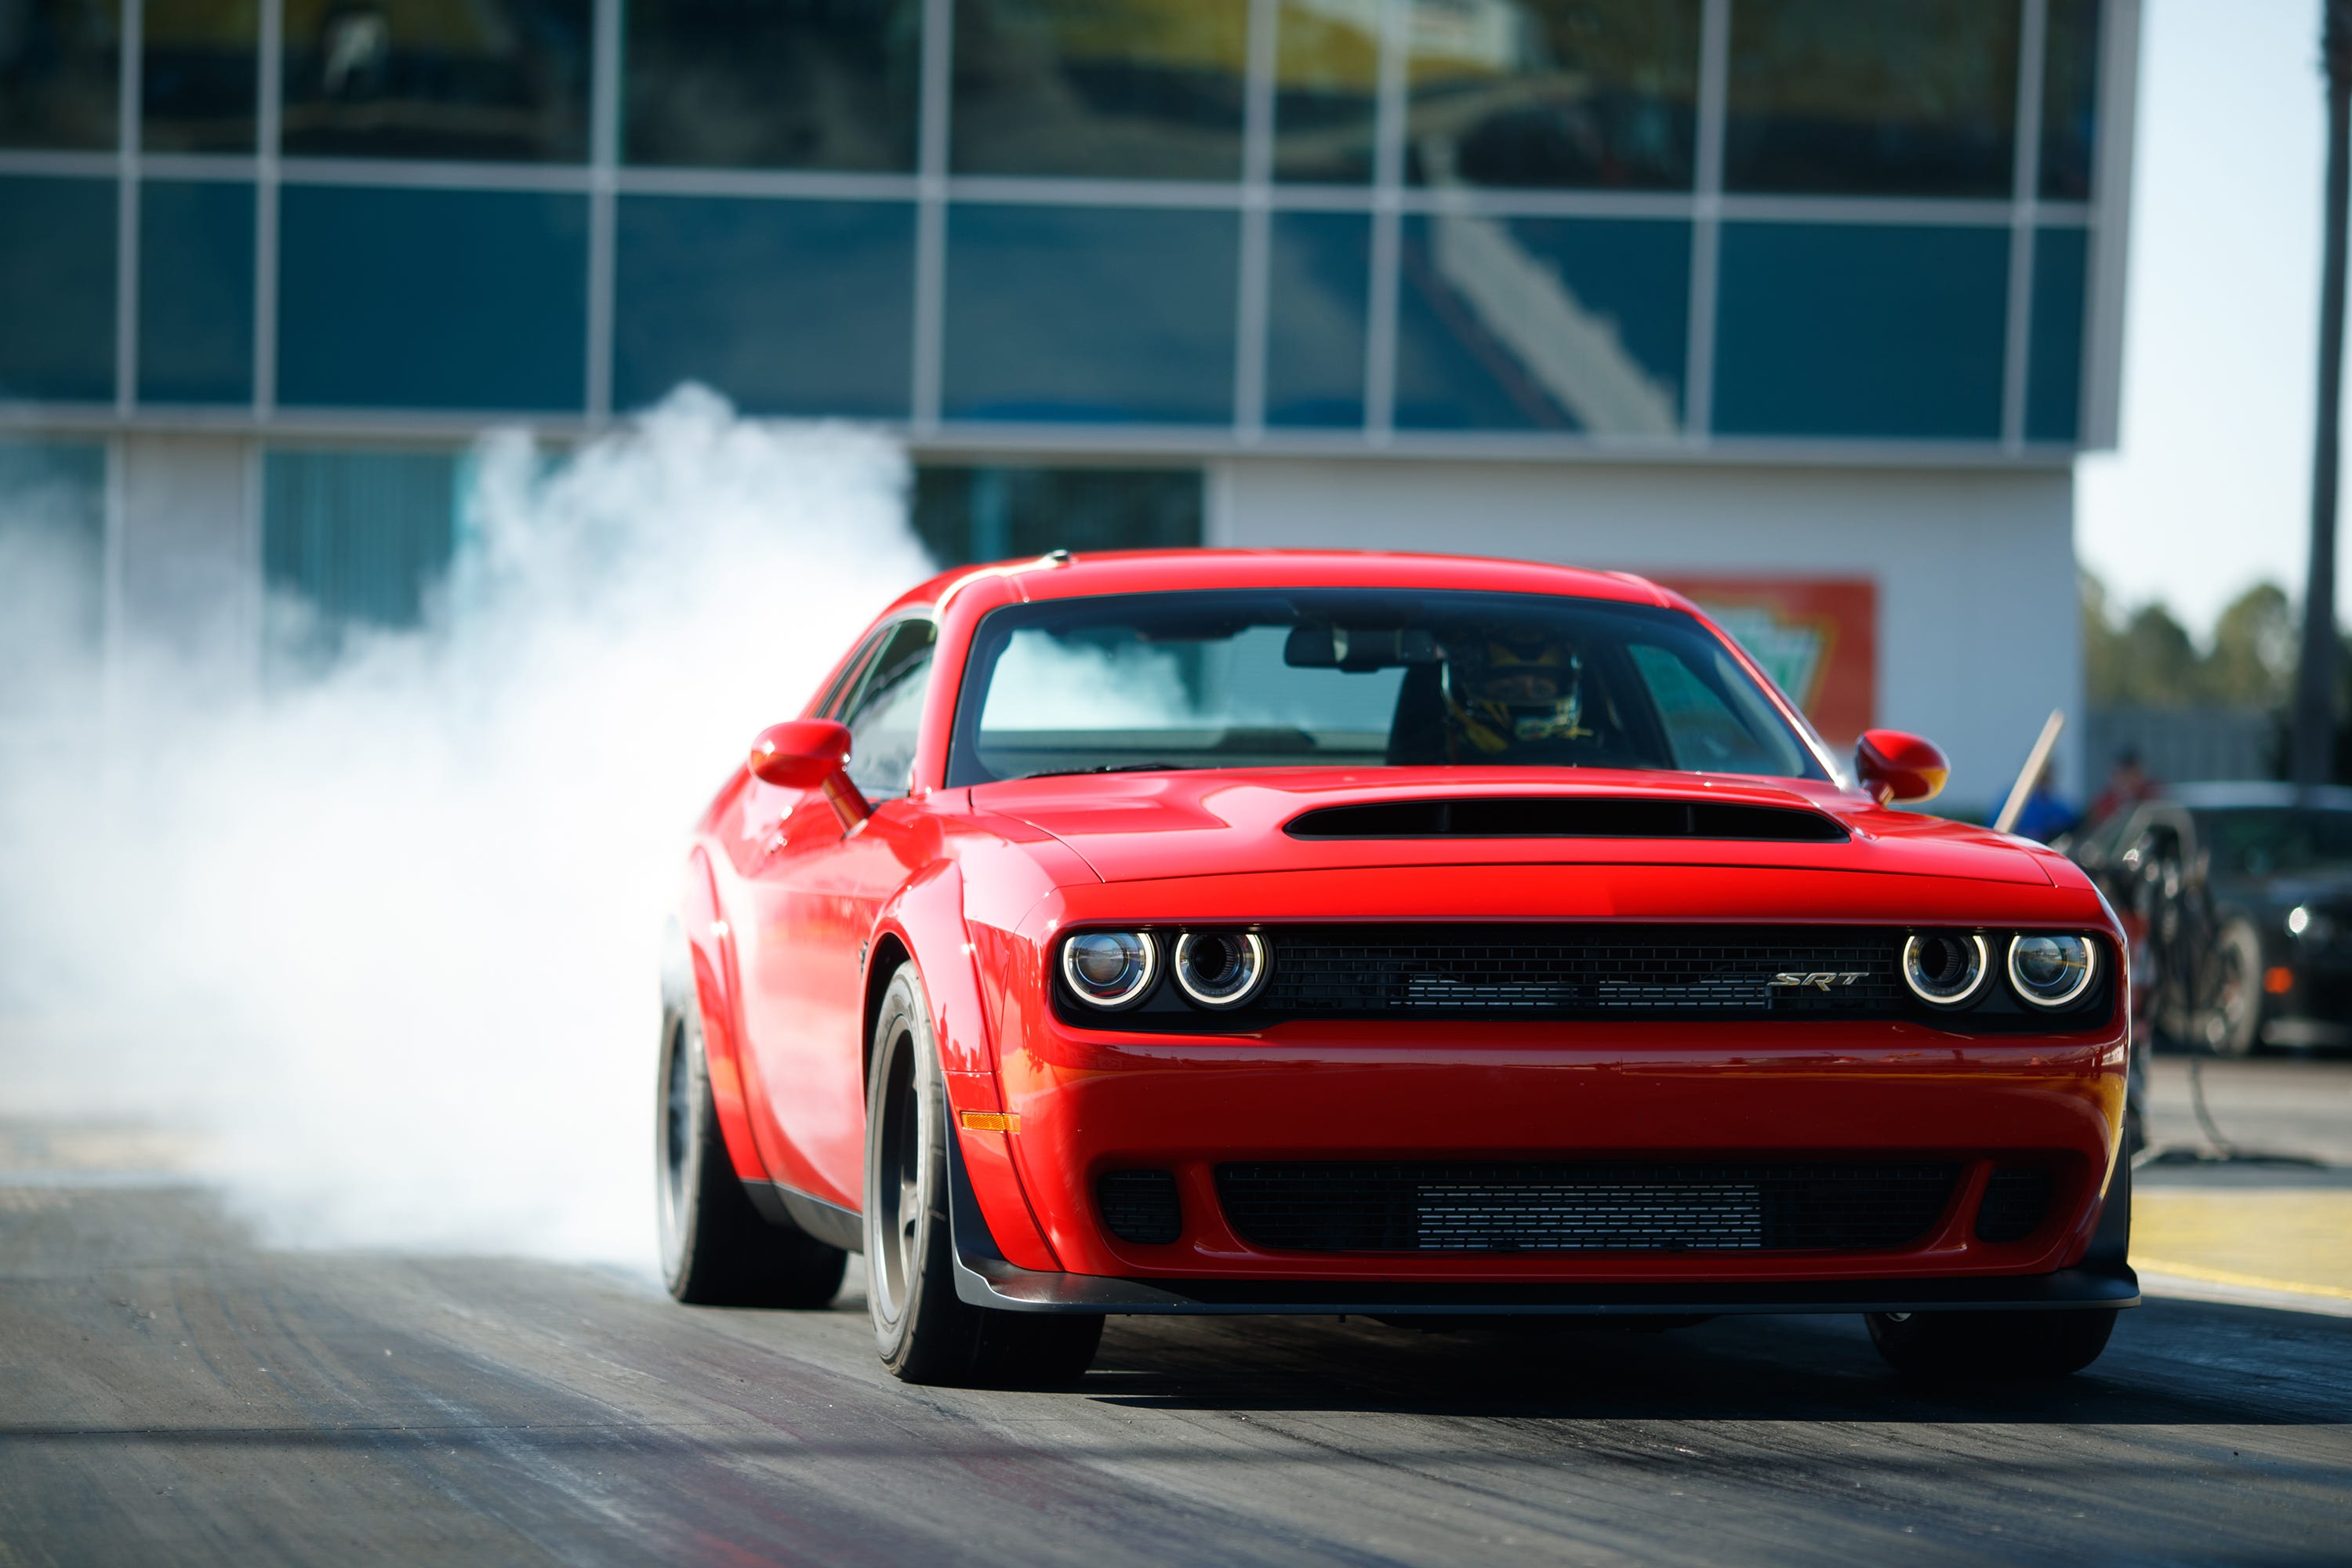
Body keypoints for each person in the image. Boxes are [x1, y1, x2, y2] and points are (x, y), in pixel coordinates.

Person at [2088, 746, 2158, 827]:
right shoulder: (2103, 805)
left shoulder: (2154, 796)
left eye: (2131, 775)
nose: (2126, 781)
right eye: (2120, 775)